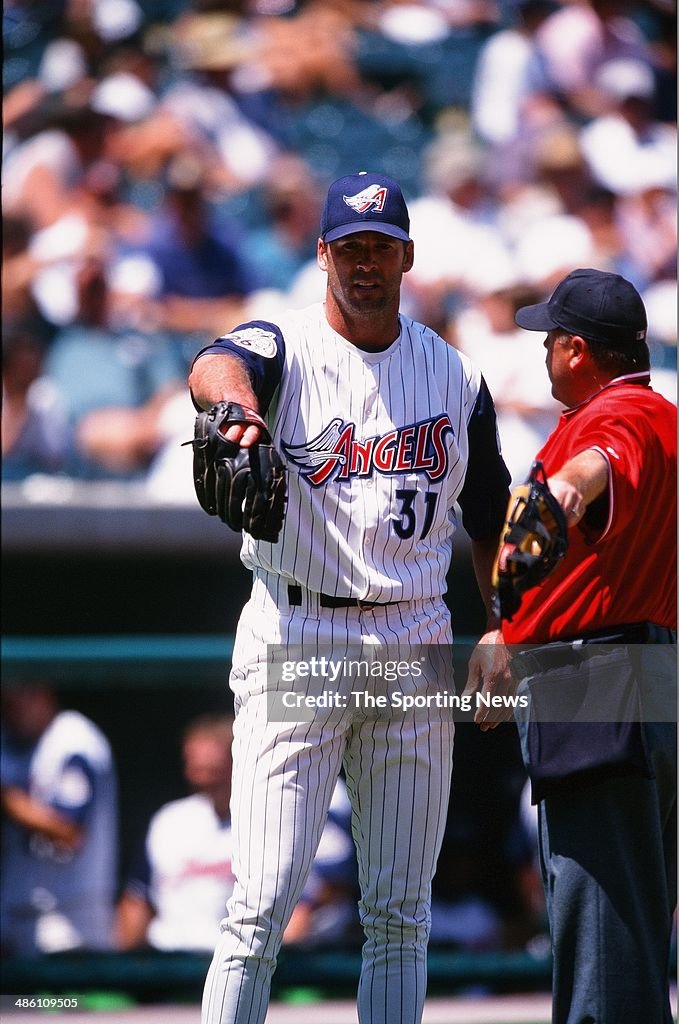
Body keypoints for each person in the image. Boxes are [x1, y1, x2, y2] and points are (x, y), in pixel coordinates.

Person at [187, 171, 511, 1024]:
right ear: (322, 252)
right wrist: (238, 415)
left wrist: (503, 626)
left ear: (406, 257)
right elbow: (217, 364)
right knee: (258, 908)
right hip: (299, 629)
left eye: (381, 248)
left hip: (413, 632)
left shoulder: (454, 377)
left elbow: (489, 519)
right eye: (350, 248)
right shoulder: (282, 344)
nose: (365, 264)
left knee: (400, 915)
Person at [466, 268, 677, 1023]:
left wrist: (563, 492)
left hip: (595, 678)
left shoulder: (617, 418)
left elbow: (599, 468)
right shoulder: (661, 413)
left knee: (602, 935)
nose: (544, 356)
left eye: (549, 340)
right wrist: (507, 630)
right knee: (628, 929)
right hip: (640, 670)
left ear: (577, 349)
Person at [0, 682, 118, 957]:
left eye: (15, 705)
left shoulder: (73, 739)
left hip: (71, 923)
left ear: (42, 695)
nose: (10, 715)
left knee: (68, 1002)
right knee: (17, 1001)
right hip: (18, 915)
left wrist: (7, 799)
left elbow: (69, 831)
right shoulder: (11, 740)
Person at [115, 714, 236, 953]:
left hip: (233, 960)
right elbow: (137, 899)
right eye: (196, 767)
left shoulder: (265, 824)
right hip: (167, 963)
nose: (202, 777)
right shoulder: (170, 820)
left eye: (214, 769)